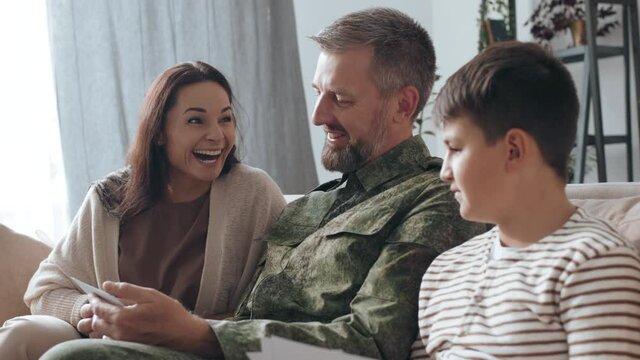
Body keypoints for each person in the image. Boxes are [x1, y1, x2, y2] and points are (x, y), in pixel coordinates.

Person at [41, 8, 484, 360]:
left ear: (403, 104)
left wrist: (198, 334)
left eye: (341, 99)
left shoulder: (432, 200)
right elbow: (247, 312)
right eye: (318, 93)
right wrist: (169, 325)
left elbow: (370, 346)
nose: (318, 117)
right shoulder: (317, 203)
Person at [0, 61, 286, 360]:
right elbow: (44, 290)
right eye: (196, 121)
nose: (216, 135)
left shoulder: (255, 193)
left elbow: (280, 306)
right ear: (159, 131)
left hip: (201, 348)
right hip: (104, 342)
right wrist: (91, 311)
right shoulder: (110, 197)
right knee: (21, 335)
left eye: (225, 119)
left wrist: (188, 329)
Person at [416, 41, 640, 358]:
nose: (444, 172)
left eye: (455, 148)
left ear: (513, 150)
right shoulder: (443, 271)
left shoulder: (595, 262)